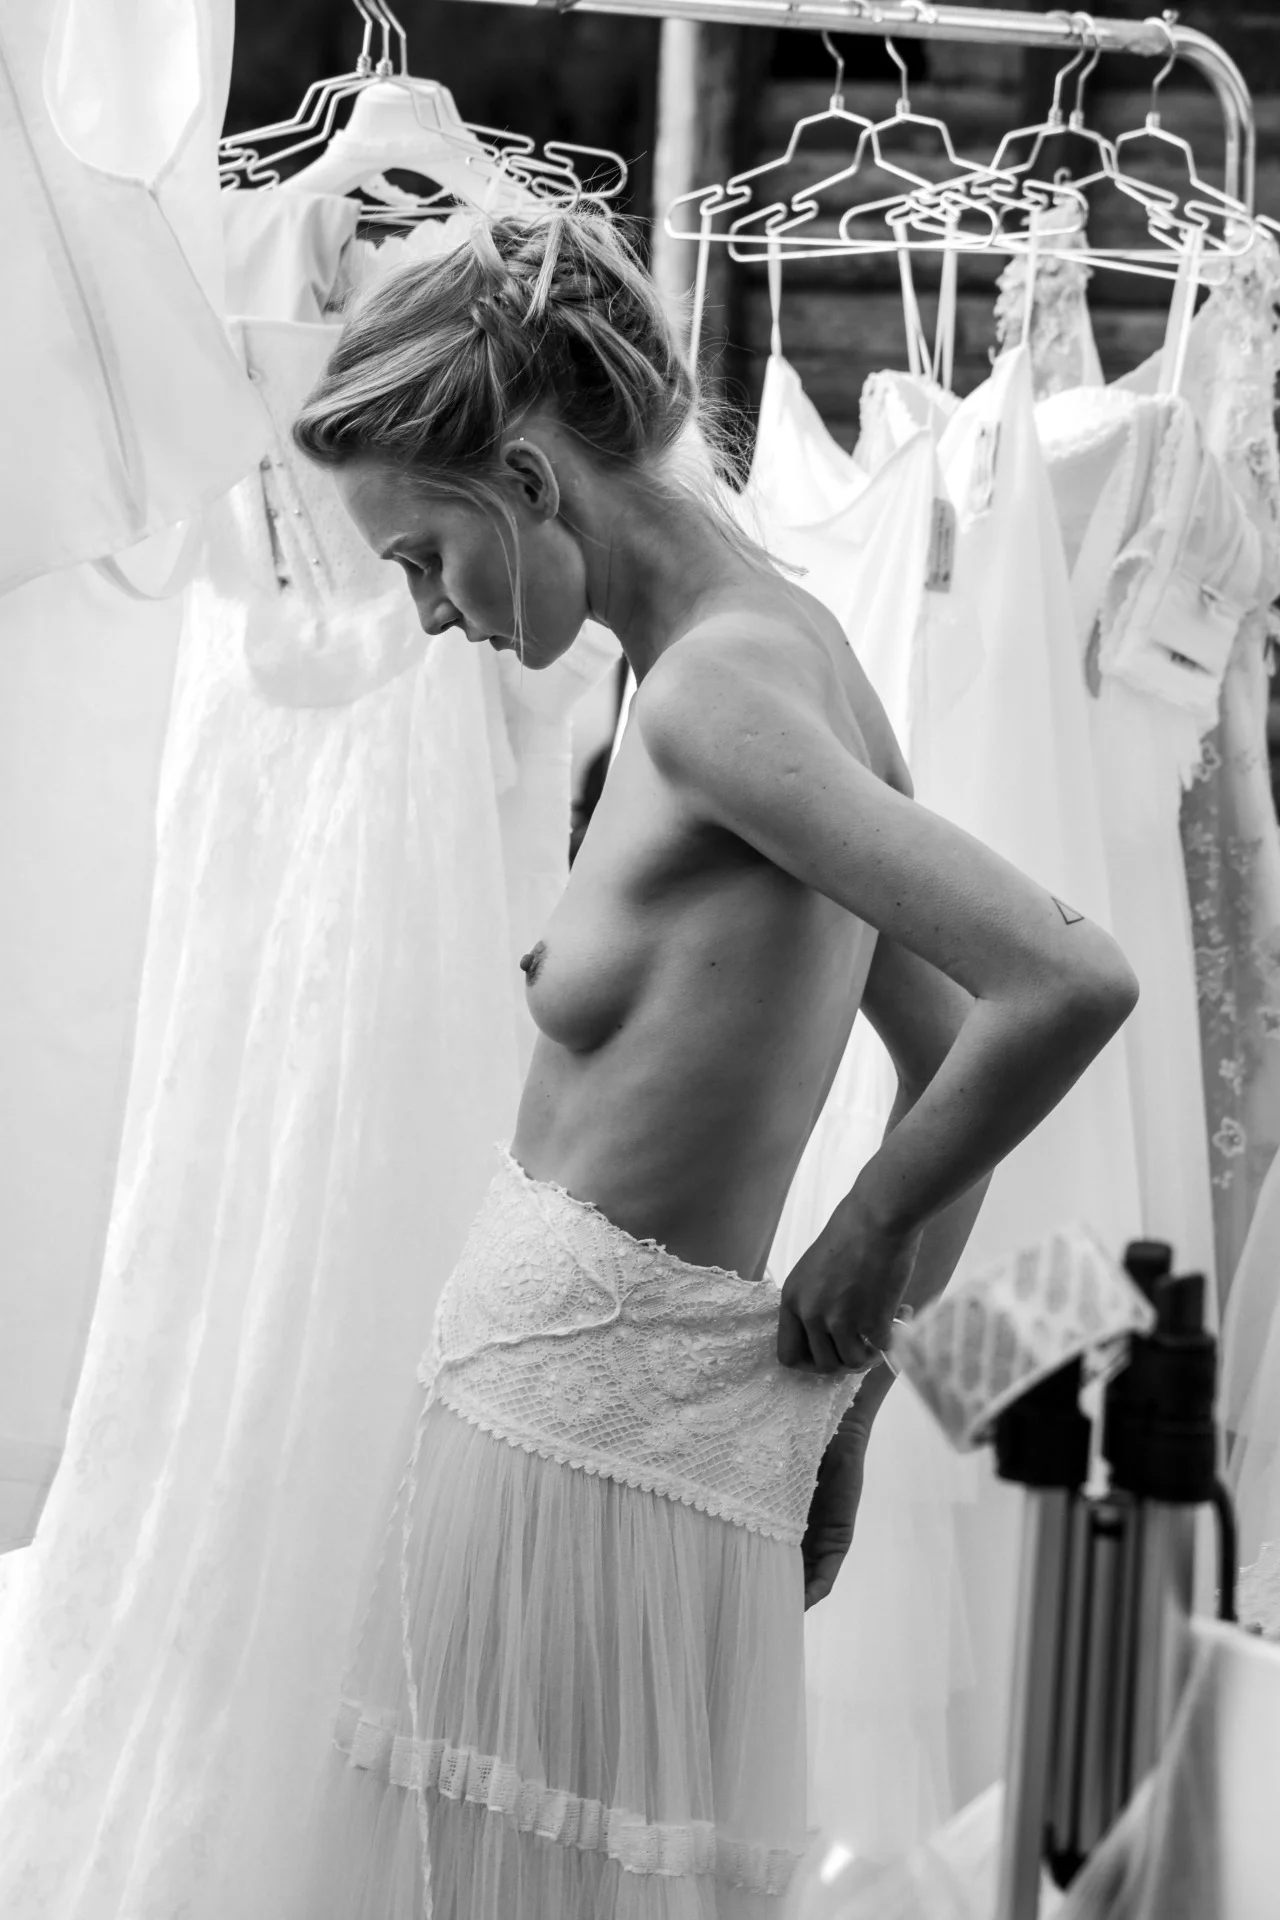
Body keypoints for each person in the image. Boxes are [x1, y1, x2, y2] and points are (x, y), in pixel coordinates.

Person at [287, 207, 1138, 1920]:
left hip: (577, 1454)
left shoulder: (714, 698)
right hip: (637, 1446)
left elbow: (1067, 979)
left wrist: (868, 1237)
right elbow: (951, 1054)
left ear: (528, 479)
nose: (431, 615)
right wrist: (853, 1398)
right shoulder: (777, 651)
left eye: (422, 558)